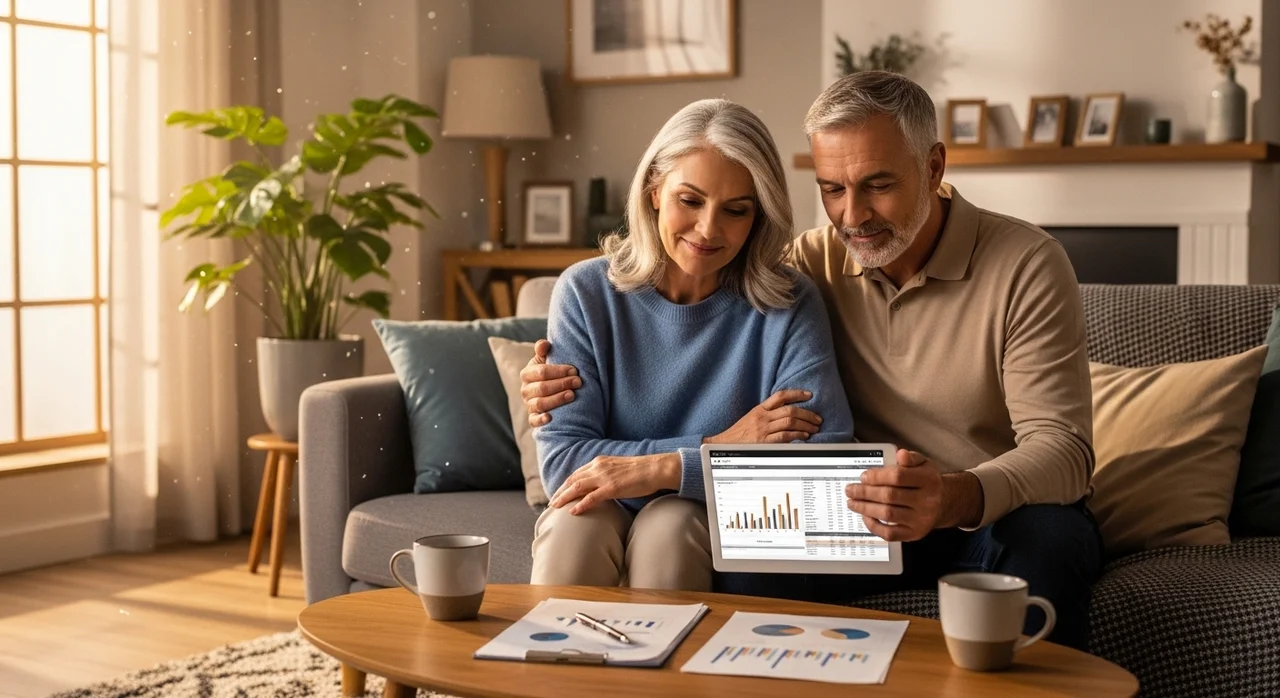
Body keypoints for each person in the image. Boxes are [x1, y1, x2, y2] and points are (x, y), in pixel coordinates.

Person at [520, 72, 1102, 652]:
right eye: (832, 189)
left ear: (933, 168)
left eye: (878, 185)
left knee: (1049, 539)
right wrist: (545, 385)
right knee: (742, 560)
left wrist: (953, 496)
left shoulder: (1027, 264)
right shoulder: (808, 264)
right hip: (853, 511)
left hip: (983, 511)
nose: (853, 216)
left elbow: (1064, 448)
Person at [530, 98, 854, 592]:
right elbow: (565, 469)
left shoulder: (789, 304)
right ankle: (549, 667)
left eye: (735, 210)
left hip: (709, 522)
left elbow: (820, 470)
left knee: (670, 525)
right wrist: (717, 449)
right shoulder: (585, 292)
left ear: (759, 214)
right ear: (655, 189)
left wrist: (663, 469)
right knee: (573, 523)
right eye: (690, 200)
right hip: (600, 512)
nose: (708, 229)